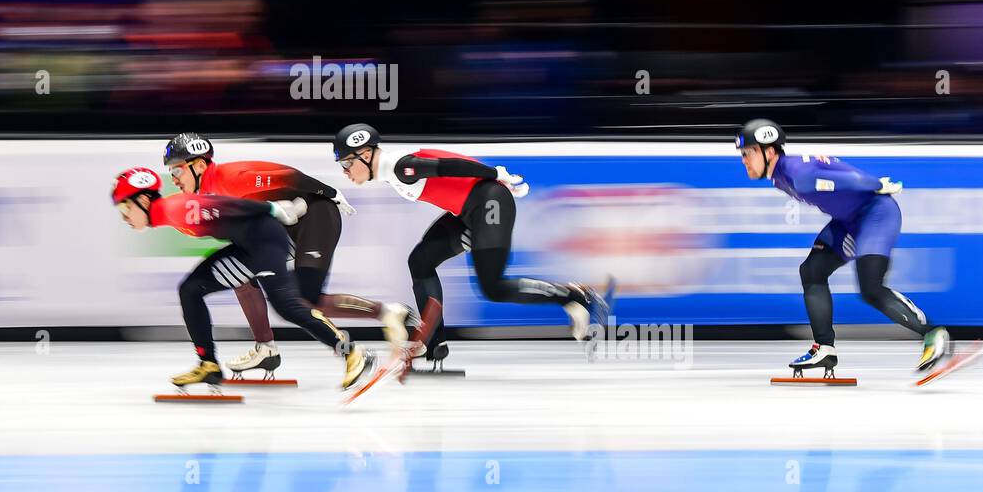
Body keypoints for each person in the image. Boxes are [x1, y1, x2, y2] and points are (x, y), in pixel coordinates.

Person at [332, 123, 610, 367]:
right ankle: (432, 342)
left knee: (493, 288)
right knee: (420, 262)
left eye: (346, 163)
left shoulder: (399, 167)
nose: (345, 171)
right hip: (467, 211)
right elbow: (445, 160)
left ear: (365, 154)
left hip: (490, 203)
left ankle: (576, 296)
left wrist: (494, 174)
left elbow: (450, 166)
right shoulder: (394, 168)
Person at [163, 132, 414, 377]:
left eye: (176, 170)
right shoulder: (203, 197)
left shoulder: (232, 178)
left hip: (314, 214)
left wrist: (331, 193)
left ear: (199, 165)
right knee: (242, 276)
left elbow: (292, 178)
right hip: (279, 231)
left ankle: (386, 313)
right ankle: (266, 349)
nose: (173, 178)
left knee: (305, 298)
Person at [112, 167, 375, 390]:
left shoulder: (175, 208)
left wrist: (272, 209)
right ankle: (209, 366)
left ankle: (352, 352)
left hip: (266, 242)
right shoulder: (166, 213)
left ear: (144, 201)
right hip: (249, 247)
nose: (123, 217)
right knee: (190, 290)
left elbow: (225, 205)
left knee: (287, 306)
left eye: (125, 206)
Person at [735, 118, 949, 374]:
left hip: (876, 214)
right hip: (848, 222)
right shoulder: (781, 174)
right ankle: (824, 348)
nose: (744, 160)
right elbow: (830, 168)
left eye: (748, 153)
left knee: (871, 289)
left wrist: (876, 184)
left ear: (769, 151)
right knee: (812, 271)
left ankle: (933, 334)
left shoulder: (797, 175)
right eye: (743, 154)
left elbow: (849, 178)